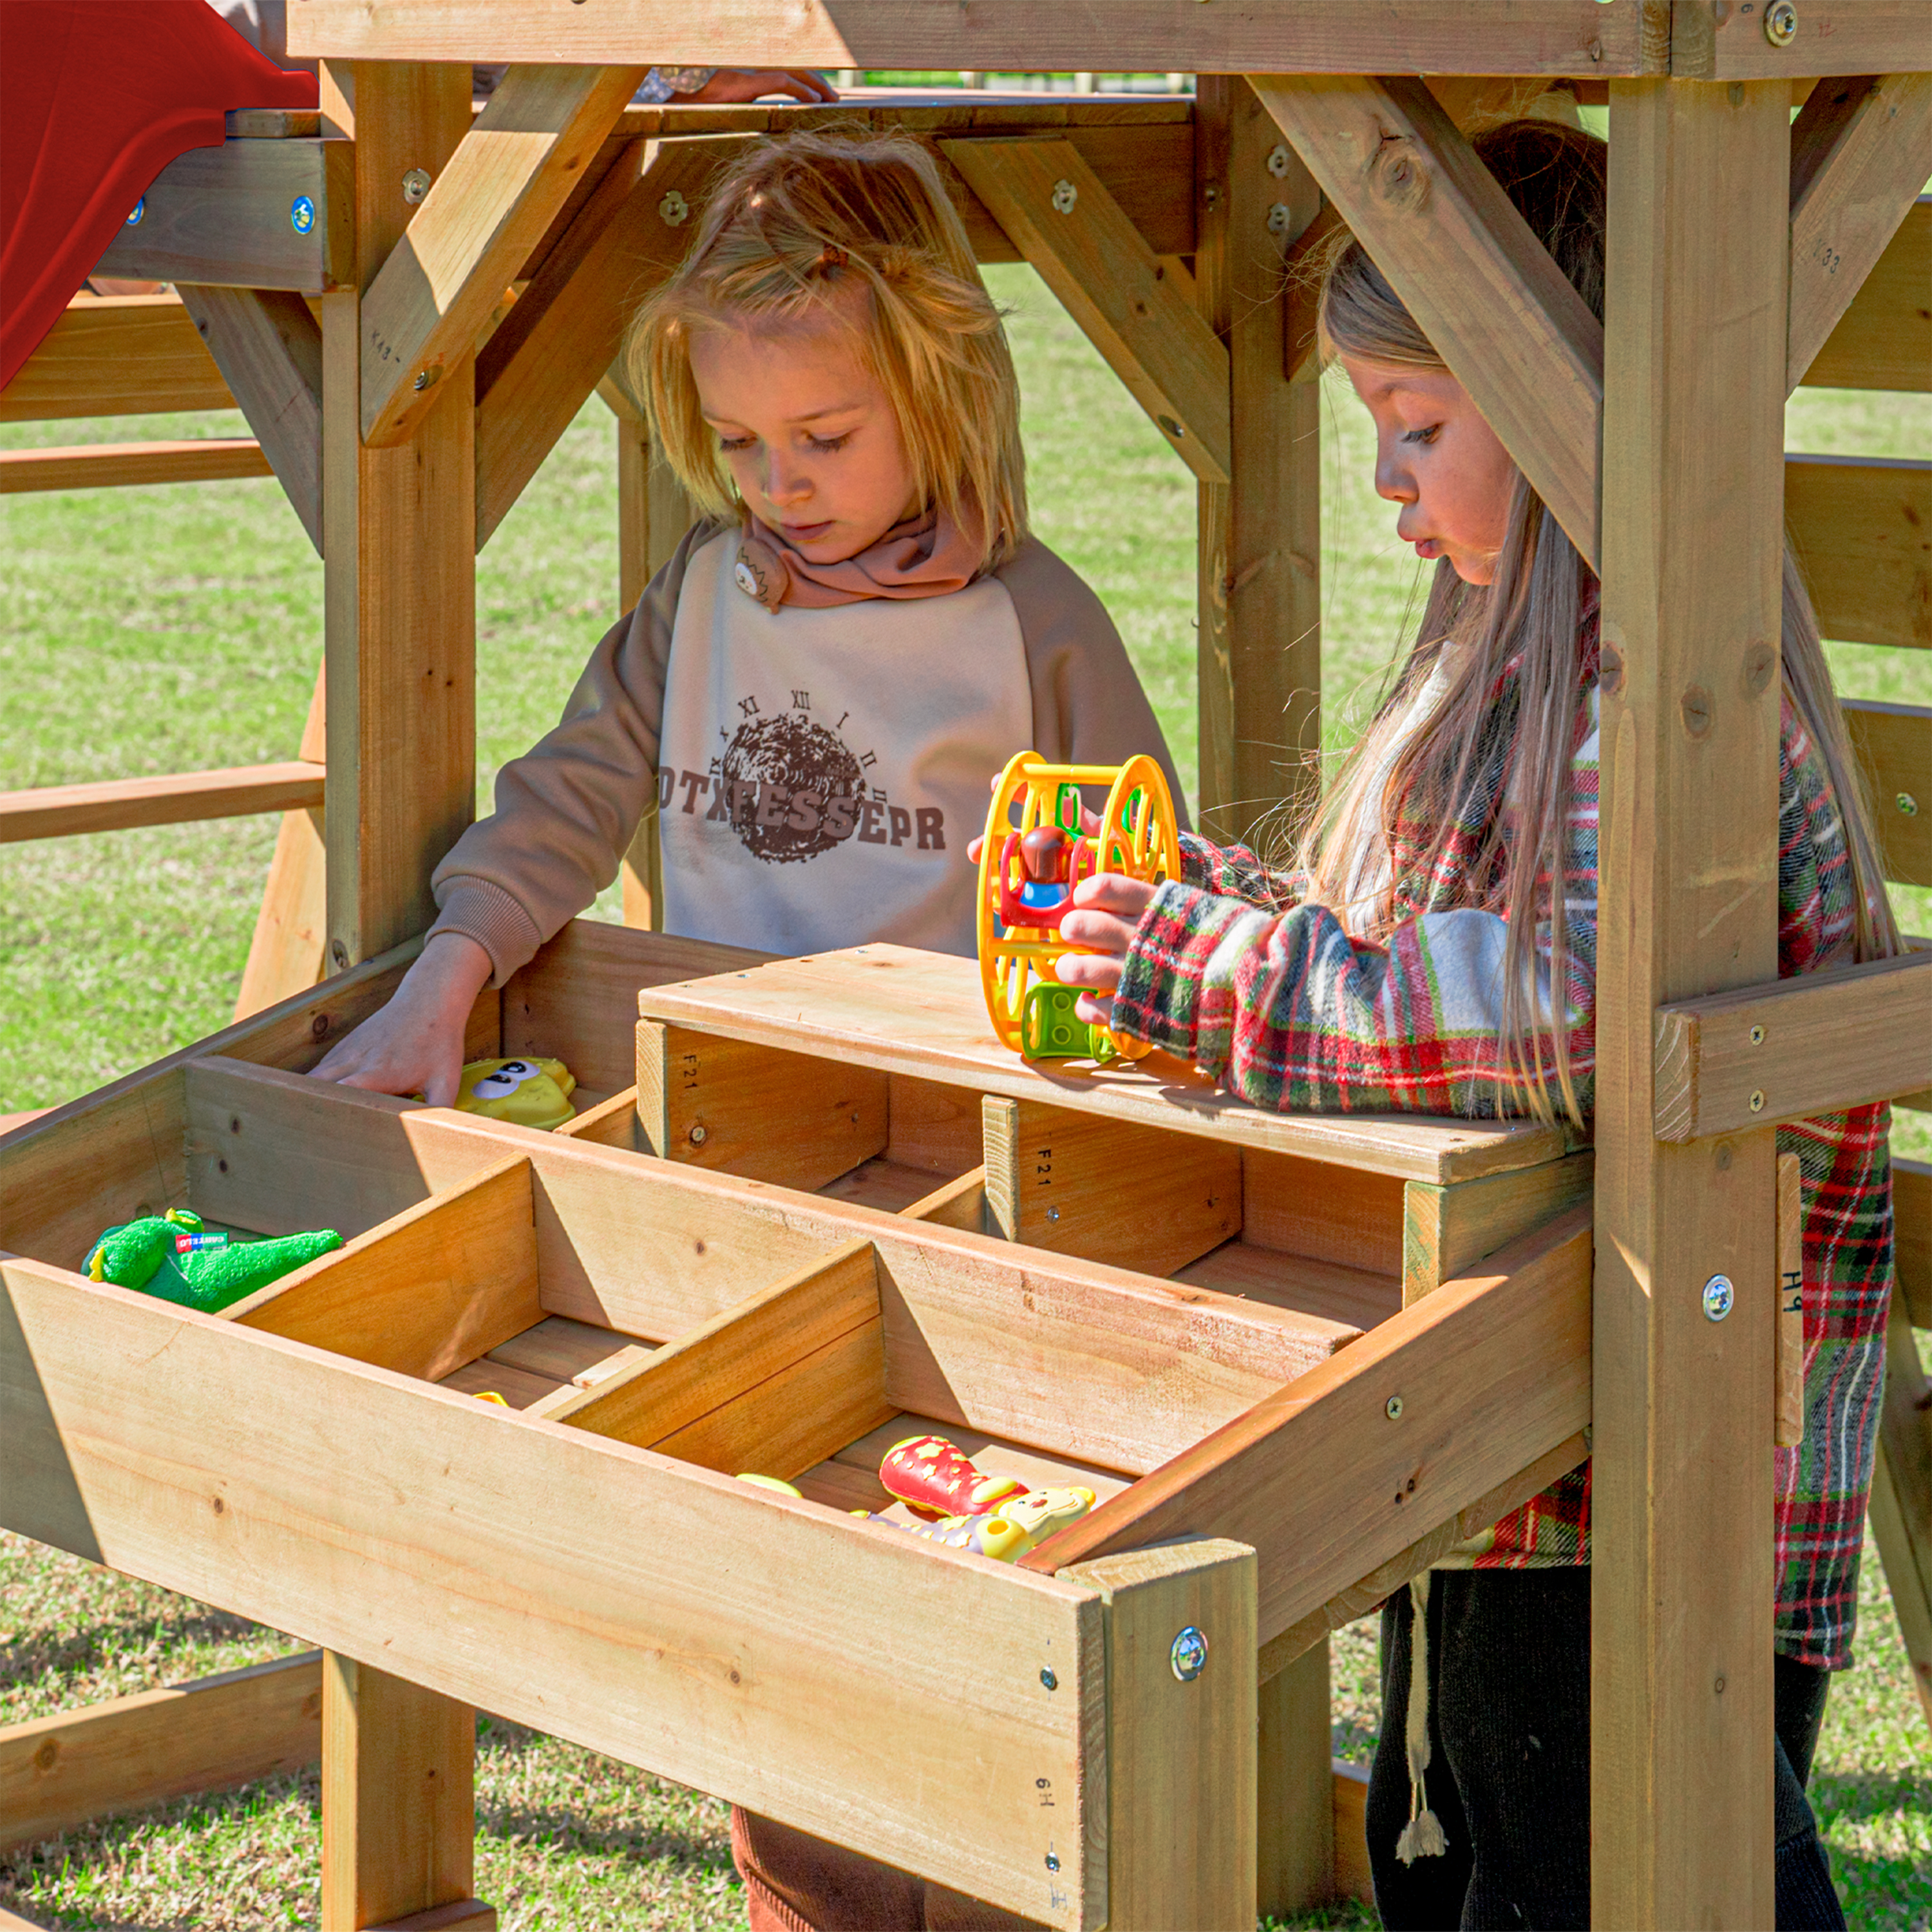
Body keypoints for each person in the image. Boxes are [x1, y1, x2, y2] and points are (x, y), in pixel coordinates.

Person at [1053, 119, 1895, 1931]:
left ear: (1578, 398)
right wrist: (1249, 917)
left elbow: (1559, 1004)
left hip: (1649, 1461)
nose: (1381, 478)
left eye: (1416, 424)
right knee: (1458, 1854)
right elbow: (1443, 954)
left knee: (1641, 1874)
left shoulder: (1668, 694)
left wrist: (1228, 986)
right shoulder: (1517, 653)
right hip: (1520, 1437)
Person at [312, 128, 1182, 1111]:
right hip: (719, 1080)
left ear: (943, 393)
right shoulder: (701, 589)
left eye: (825, 437)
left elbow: (1148, 892)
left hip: (940, 1103)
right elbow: (570, 797)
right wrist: (442, 983)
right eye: (737, 441)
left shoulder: (1034, 621)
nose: (780, 485)